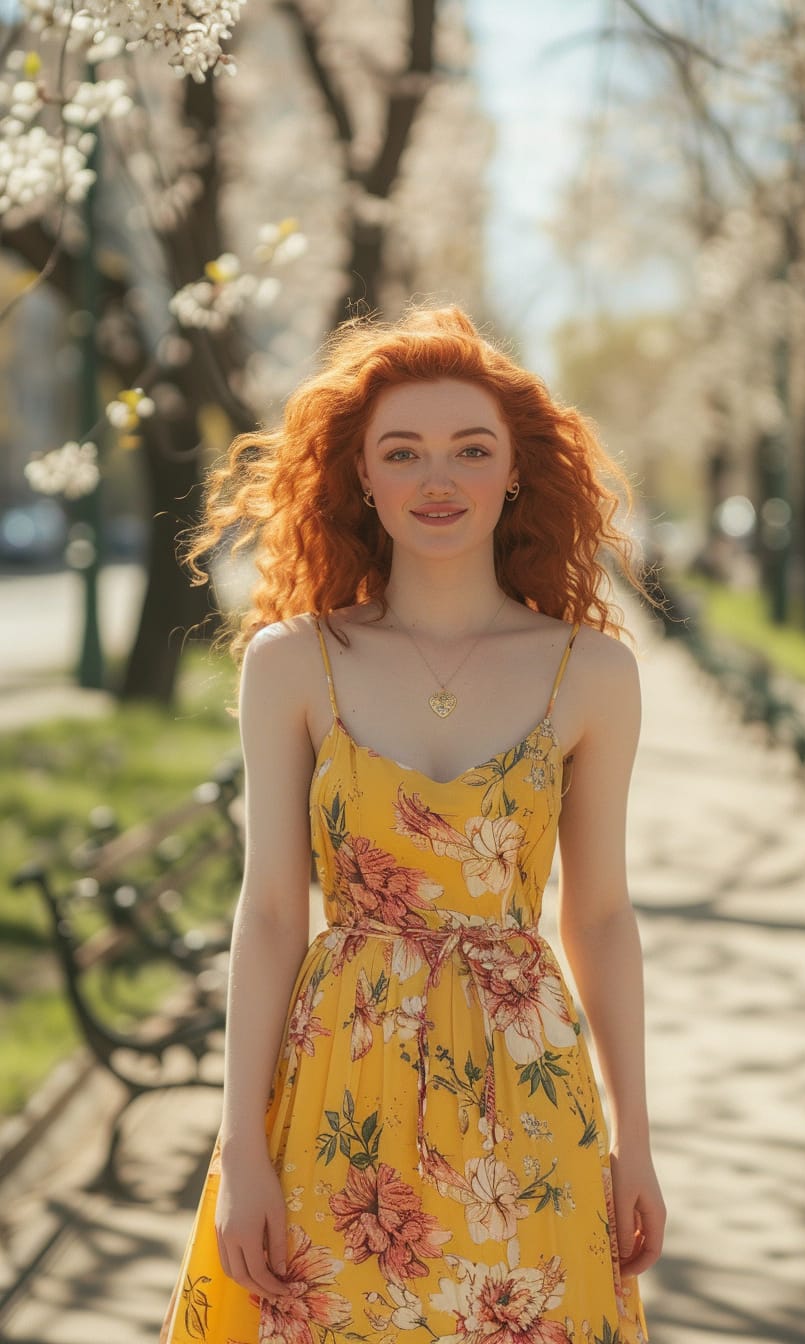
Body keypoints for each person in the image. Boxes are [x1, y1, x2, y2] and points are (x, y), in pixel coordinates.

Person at [161, 303, 666, 1344]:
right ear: (361, 478)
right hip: (334, 1088)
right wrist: (237, 1149)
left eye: (469, 449)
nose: (438, 479)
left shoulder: (593, 673)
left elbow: (603, 916)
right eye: (403, 452)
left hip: (530, 1094)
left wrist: (635, 1143)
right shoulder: (293, 661)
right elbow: (266, 913)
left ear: (513, 472)